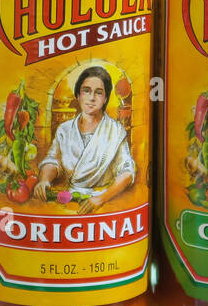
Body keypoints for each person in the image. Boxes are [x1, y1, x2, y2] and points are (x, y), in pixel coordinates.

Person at [33, 66, 136, 215]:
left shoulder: (115, 131)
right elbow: (53, 160)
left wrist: (100, 199)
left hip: (104, 204)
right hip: (69, 201)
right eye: (86, 90)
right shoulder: (65, 129)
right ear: (78, 95)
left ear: (105, 98)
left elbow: (127, 172)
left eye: (98, 92)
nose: (91, 97)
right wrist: (44, 180)